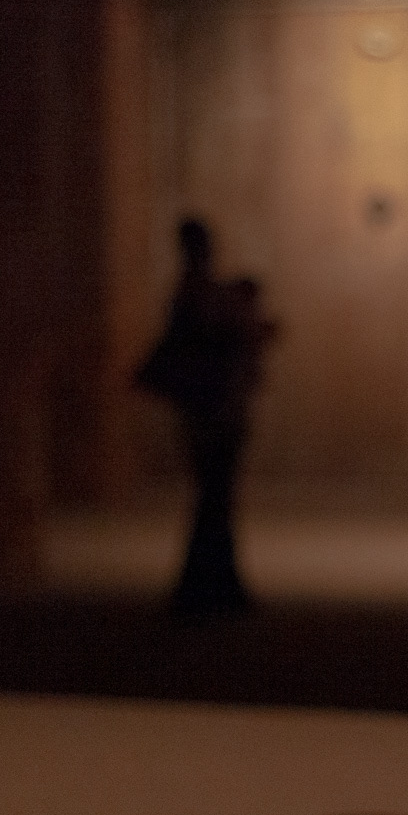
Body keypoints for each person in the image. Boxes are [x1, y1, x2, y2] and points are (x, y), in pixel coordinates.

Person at [134, 216, 277, 614]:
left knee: (214, 500)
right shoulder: (195, 296)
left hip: (209, 409)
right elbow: (212, 344)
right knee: (213, 500)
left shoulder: (194, 293)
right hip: (214, 410)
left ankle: (210, 587)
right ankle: (208, 589)